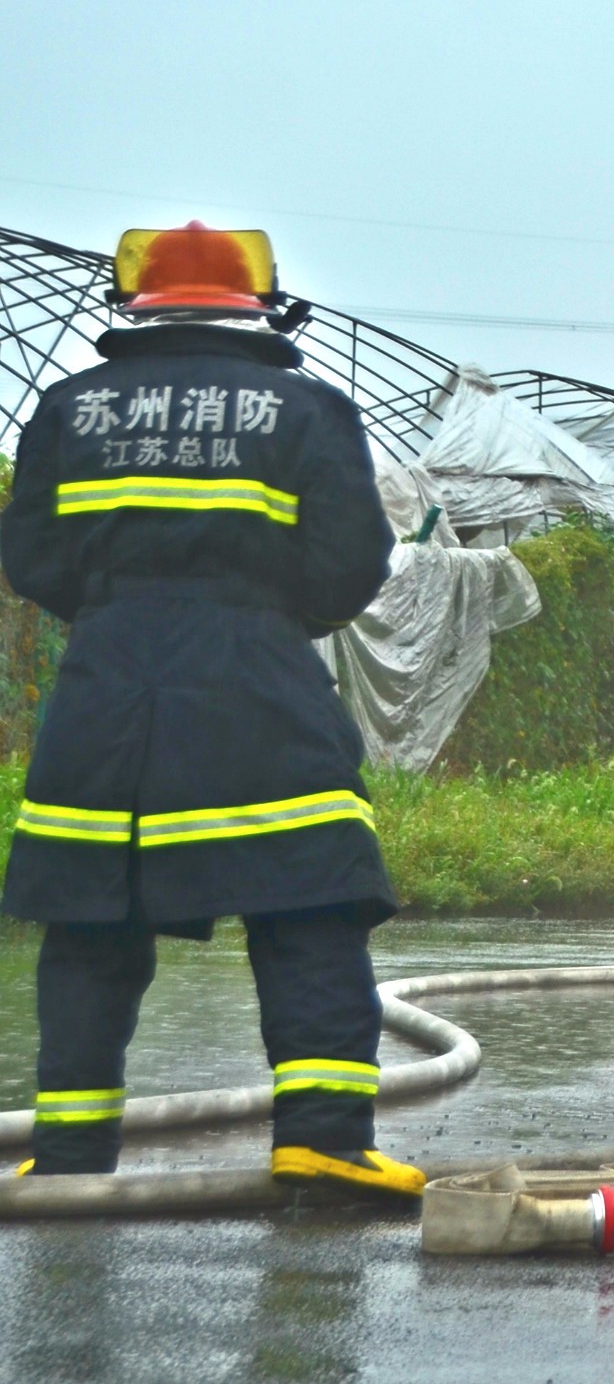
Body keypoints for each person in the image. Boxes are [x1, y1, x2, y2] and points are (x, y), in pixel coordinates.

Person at [2, 223, 415, 1198]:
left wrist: (119, 614)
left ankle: (64, 1155)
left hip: (105, 685)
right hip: (255, 671)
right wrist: (270, 615)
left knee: (90, 912)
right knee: (310, 895)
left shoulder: (68, 408)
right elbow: (353, 558)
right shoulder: (309, 408)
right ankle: (321, 1138)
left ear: (134, 307)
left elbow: (31, 559)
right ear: (259, 307)